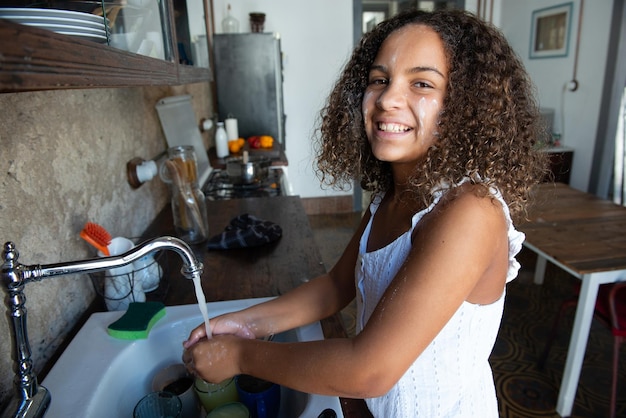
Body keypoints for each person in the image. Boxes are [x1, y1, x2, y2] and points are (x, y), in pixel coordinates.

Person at [183, 8, 548, 417]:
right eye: (379, 80)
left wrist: (240, 356)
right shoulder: (394, 195)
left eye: (422, 83)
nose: (388, 99)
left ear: (466, 106)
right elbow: (336, 286)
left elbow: (369, 369)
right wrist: (247, 324)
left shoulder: (470, 212)